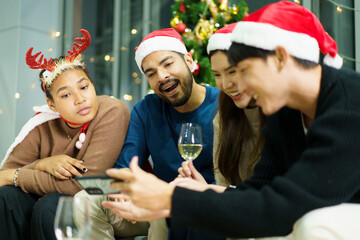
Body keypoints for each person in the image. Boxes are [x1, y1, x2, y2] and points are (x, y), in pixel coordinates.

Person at [102, 2, 360, 240]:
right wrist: (199, 193)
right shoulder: (285, 113)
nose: (238, 87)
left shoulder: (350, 103)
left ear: (281, 57)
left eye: (243, 71)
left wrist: (171, 199)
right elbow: (259, 189)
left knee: (316, 223)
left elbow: (286, 206)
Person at [77, 28, 221, 240]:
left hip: (207, 203)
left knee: (166, 213)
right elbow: (127, 166)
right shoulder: (146, 110)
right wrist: (124, 191)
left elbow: (238, 182)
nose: (162, 76)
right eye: (151, 73)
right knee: (85, 199)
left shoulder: (223, 105)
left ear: (189, 61)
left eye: (168, 63)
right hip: (154, 204)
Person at [0, 29, 130, 240]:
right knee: (6, 198)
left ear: (92, 85)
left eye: (84, 87)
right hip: (55, 195)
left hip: (106, 199)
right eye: (66, 95)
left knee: (53, 206)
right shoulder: (42, 124)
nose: (80, 99)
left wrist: (19, 175)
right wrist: (42, 164)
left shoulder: (111, 110)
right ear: (52, 104)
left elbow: (87, 184)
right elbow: (5, 175)